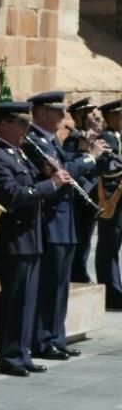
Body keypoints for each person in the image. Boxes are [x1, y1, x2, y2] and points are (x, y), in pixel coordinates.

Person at [0, 101, 70, 377]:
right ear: (5, 124)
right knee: (15, 300)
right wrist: (51, 184)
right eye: (21, 124)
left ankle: (22, 352)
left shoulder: (18, 154)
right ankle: (10, 356)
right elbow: (13, 195)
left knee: (28, 300)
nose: (25, 129)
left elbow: (31, 185)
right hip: (15, 238)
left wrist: (45, 173)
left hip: (31, 237)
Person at [22, 92, 103, 361]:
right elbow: (61, 170)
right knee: (49, 285)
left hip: (64, 222)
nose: (62, 117)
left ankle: (56, 336)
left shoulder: (49, 140)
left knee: (61, 285)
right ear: (42, 113)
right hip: (50, 222)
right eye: (57, 112)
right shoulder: (33, 140)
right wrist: (90, 158)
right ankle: (43, 340)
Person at [64, 98, 100, 283]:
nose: (96, 116)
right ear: (80, 117)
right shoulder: (74, 140)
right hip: (80, 198)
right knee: (81, 239)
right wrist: (84, 151)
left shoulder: (93, 138)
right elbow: (70, 166)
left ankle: (80, 271)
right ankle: (77, 274)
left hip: (92, 196)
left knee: (86, 239)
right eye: (91, 113)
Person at [94, 99, 122, 309]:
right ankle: (111, 292)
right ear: (112, 117)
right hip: (113, 200)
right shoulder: (106, 138)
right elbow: (107, 170)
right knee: (109, 246)